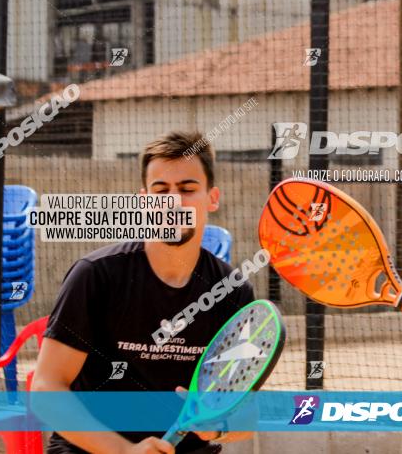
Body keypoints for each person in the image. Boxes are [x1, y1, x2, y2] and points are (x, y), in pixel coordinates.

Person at [32, 131, 255, 454]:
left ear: (212, 198)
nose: (173, 201)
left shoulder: (232, 292)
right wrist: (123, 450)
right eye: (161, 190)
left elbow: (247, 414)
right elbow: (46, 387)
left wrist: (219, 429)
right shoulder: (96, 275)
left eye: (188, 189)